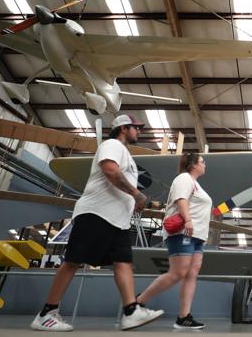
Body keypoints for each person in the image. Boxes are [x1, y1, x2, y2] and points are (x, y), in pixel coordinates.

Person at [31, 114, 164, 331]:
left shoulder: (126, 153)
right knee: (73, 261)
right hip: (97, 214)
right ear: (123, 128)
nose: (139, 131)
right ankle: (46, 313)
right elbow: (110, 170)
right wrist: (136, 194)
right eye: (136, 128)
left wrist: (133, 200)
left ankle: (131, 311)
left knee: (123, 262)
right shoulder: (112, 144)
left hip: (117, 221)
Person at [136, 152, 212, 330]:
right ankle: (137, 303)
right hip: (183, 232)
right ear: (193, 165)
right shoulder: (184, 179)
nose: (205, 164)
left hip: (198, 236)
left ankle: (183, 317)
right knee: (178, 273)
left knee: (192, 273)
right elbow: (181, 200)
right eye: (203, 161)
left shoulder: (196, 184)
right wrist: (187, 220)